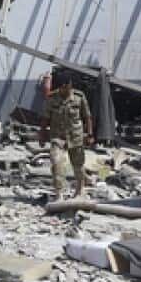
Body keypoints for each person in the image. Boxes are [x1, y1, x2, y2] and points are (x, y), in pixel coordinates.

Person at [41, 70, 93, 200]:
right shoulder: (52, 98)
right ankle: (59, 194)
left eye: (68, 86)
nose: (66, 89)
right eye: (63, 86)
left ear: (71, 84)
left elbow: (87, 117)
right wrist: (42, 134)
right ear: (59, 87)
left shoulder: (79, 97)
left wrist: (90, 134)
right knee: (57, 163)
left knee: (78, 166)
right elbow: (46, 118)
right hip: (57, 137)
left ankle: (79, 190)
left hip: (75, 136)